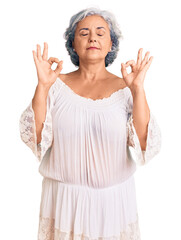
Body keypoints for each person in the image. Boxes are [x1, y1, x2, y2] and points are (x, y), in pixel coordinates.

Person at [19, 7, 162, 240]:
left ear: (111, 44)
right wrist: (42, 87)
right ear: (73, 44)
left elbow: (145, 142)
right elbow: (35, 138)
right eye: (83, 32)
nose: (92, 37)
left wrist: (137, 89)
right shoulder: (55, 86)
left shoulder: (126, 88)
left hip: (113, 205)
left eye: (100, 32)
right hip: (64, 202)